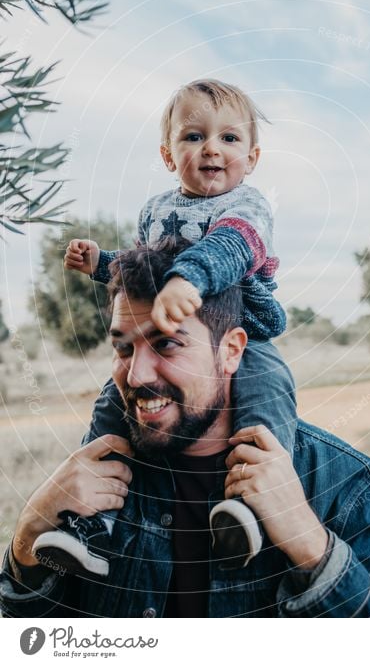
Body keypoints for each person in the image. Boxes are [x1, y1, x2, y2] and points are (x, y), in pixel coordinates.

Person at [0, 241, 370, 618]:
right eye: (123, 347)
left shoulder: (344, 484)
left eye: (166, 343)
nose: (135, 375)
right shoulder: (91, 480)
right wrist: (28, 537)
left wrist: (310, 544)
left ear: (232, 351)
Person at [34, 79, 296, 576]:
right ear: (168, 154)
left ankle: (255, 505)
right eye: (193, 137)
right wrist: (102, 263)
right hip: (168, 329)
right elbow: (142, 269)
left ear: (253, 156)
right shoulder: (155, 209)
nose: (212, 148)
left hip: (246, 329)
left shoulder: (249, 206)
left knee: (266, 399)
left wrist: (189, 278)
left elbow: (233, 245)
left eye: (230, 139)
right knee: (112, 408)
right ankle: (92, 524)